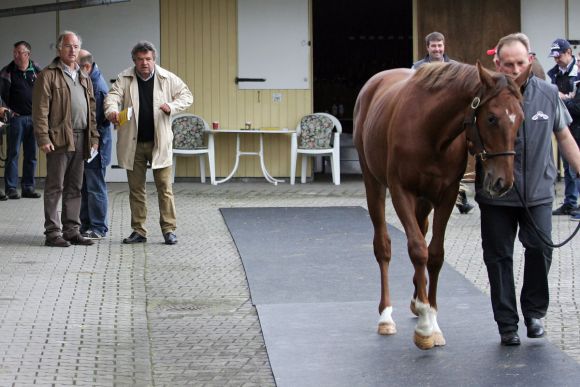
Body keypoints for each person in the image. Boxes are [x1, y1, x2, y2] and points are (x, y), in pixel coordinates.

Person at [475, 33, 580, 346]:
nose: (514, 69)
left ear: (530, 60)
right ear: (497, 63)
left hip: (537, 190)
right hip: (496, 193)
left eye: (520, 63)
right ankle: (507, 323)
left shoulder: (548, 94)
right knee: (498, 257)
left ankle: (533, 311)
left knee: (541, 250)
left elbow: (564, 137)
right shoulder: (481, 95)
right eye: (508, 64)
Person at [104, 41, 193, 245]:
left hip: (159, 142)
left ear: (154, 59)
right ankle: (139, 231)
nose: (145, 63)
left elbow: (187, 96)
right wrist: (112, 111)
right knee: (136, 189)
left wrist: (172, 106)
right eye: (140, 59)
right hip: (133, 144)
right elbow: (112, 97)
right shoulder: (124, 78)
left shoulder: (166, 78)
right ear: (134, 60)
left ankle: (169, 230)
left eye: (148, 59)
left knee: (164, 187)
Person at [32, 31, 99, 247]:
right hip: (59, 139)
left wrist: (94, 136)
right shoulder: (48, 75)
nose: (72, 50)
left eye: (76, 46)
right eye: (68, 46)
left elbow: (91, 111)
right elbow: (40, 110)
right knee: (54, 187)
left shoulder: (84, 76)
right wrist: (43, 137)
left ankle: (71, 230)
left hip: (82, 138)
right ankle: (53, 233)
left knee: (75, 187)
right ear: (59, 49)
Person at [412, 31, 474, 214]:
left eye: (440, 45)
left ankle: (461, 199)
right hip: (426, 122)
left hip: (449, 122)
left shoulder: (455, 67)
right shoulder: (417, 68)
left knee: (455, 162)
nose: (437, 49)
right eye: (433, 46)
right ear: (427, 47)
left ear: (444, 46)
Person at [0, 41, 42, 199]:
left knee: (31, 154)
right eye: (14, 53)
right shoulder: (7, 72)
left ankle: (28, 187)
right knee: (13, 153)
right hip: (15, 119)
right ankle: (11, 188)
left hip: (35, 119)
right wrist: (6, 111)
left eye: (19, 52)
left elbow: (47, 92)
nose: (16, 56)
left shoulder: (37, 71)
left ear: (27, 54)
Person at [77, 49, 112, 239]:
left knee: (95, 187)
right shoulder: (90, 80)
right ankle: (85, 224)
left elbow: (95, 121)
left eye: (76, 66)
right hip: (88, 144)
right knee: (84, 186)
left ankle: (98, 228)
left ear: (87, 66)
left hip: (96, 146)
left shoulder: (97, 86)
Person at [547, 38, 580, 220]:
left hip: (577, 125)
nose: (556, 60)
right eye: (554, 57)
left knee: (576, 165)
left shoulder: (577, 73)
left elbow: (576, 103)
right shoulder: (555, 74)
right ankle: (570, 202)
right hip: (564, 125)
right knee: (567, 168)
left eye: (559, 56)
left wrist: (563, 98)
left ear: (569, 53)